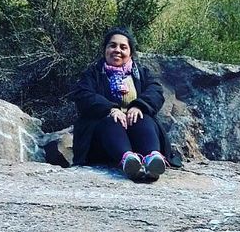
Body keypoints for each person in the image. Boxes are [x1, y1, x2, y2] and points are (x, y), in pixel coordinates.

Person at [70, 27, 176, 181]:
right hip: (103, 141)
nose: (117, 50)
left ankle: (153, 159)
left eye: (123, 47)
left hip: (138, 133)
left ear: (130, 53)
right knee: (111, 121)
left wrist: (138, 105)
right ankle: (128, 161)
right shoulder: (92, 74)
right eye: (112, 45)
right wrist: (111, 109)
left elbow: (156, 92)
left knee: (142, 118)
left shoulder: (141, 73)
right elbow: (83, 95)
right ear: (105, 50)